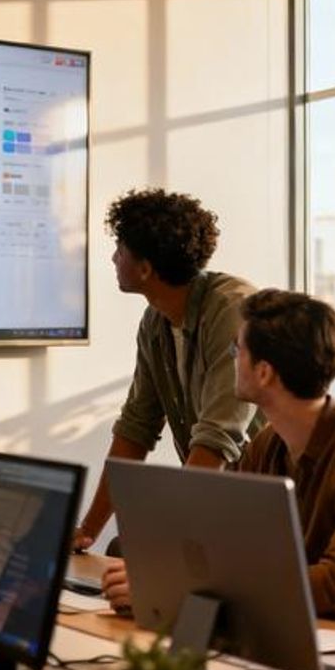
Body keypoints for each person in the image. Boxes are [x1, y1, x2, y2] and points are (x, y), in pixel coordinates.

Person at [103, 288, 335, 616]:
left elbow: (331, 585)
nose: (230, 357)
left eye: (236, 349)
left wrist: (181, 586)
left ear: (264, 372)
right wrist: (161, 576)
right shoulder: (268, 446)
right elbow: (222, 543)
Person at [75, 188, 260, 551]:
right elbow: (136, 428)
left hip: (259, 508)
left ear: (145, 268)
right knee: (120, 549)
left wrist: (174, 544)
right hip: (215, 502)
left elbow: (217, 437)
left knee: (142, 554)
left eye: (121, 250)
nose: (113, 258)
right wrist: (87, 531)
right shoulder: (155, 322)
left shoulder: (231, 309)